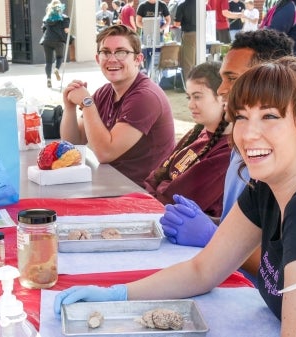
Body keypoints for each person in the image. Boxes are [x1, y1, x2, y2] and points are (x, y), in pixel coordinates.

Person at [54, 56, 296, 337]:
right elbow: (203, 270)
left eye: (269, 117)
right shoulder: (266, 188)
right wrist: (117, 294)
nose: (248, 134)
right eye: (241, 117)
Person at [161, 30, 294, 280]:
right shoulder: (240, 149)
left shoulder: (284, 162)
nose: (222, 89)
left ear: (269, 78)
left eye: (232, 79)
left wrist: (213, 236)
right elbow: (246, 225)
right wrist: (209, 223)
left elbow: (285, 272)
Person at [59, 25, 175, 188]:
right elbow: (73, 142)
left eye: (121, 52)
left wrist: (87, 103)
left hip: (144, 195)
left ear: (138, 59)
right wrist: (69, 107)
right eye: (106, 52)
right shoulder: (105, 92)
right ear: (98, 58)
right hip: (113, 184)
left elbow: (105, 153)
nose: (112, 59)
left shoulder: (145, 97)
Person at [144, 62, 231, 221]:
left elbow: (180, 200)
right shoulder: (197, 132)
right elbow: (154, 177)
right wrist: (160, 188)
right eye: (189, 97)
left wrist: (161, 187)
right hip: (156, 211)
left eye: (197, 96)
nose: (190, 105)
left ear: (223, 98)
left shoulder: (226, 151)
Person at [40, 0, 70, 88]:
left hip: (47, 40)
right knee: (59, 57)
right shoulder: (64, 17)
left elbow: (43, 29)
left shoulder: (47, 18)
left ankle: (48, 79)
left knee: (48, 62)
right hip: (58, 41)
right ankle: (56, 69)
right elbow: (66, 30)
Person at [136, 0, 171, 71]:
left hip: (159, 35)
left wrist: (161, 28)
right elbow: (138, 22)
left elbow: (168, 20)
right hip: (146, 35)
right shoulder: (142, 6)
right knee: (146, 55)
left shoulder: (162, 5)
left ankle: (157, 75)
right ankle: (147, 74)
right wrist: (147, 27)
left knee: (158, 55)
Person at [174, 0, 197, 77]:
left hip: (189, 35)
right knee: (197, 62)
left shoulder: (182, 5)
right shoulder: (200, 4)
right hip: (201, 34)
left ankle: (189, 86)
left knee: (188, 63)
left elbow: (177, 23)